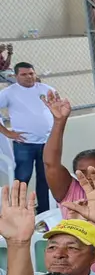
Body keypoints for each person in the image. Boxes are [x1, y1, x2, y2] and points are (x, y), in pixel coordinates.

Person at [0, 62, 56, 212]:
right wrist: (7, 133)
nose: (28, 77)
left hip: (47, 143)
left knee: (46, 178)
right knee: (22, 179)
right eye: (24, 74)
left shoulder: (47, 90)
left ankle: (45, 211)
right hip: (24, 144)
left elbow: (57, 109)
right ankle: (18, 211)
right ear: (16, 76)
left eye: (31, 73)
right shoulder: (8, 92)